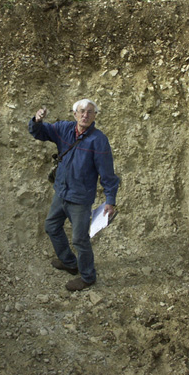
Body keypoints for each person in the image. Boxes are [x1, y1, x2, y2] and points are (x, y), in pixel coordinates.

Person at [29, 99, 120, 291]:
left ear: (95, 116)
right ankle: (69, 263)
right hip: (61, 192)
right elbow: (40, 132)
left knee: (80, 239)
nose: (85, 115)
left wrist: (110, 200)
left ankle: (88, 277)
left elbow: (107, 173)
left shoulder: (98, 140)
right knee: (51, 226)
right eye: (82, 111)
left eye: (90, 112)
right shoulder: (64, 129)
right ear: (75, 114)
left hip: (80, 198)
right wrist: (37, 121)